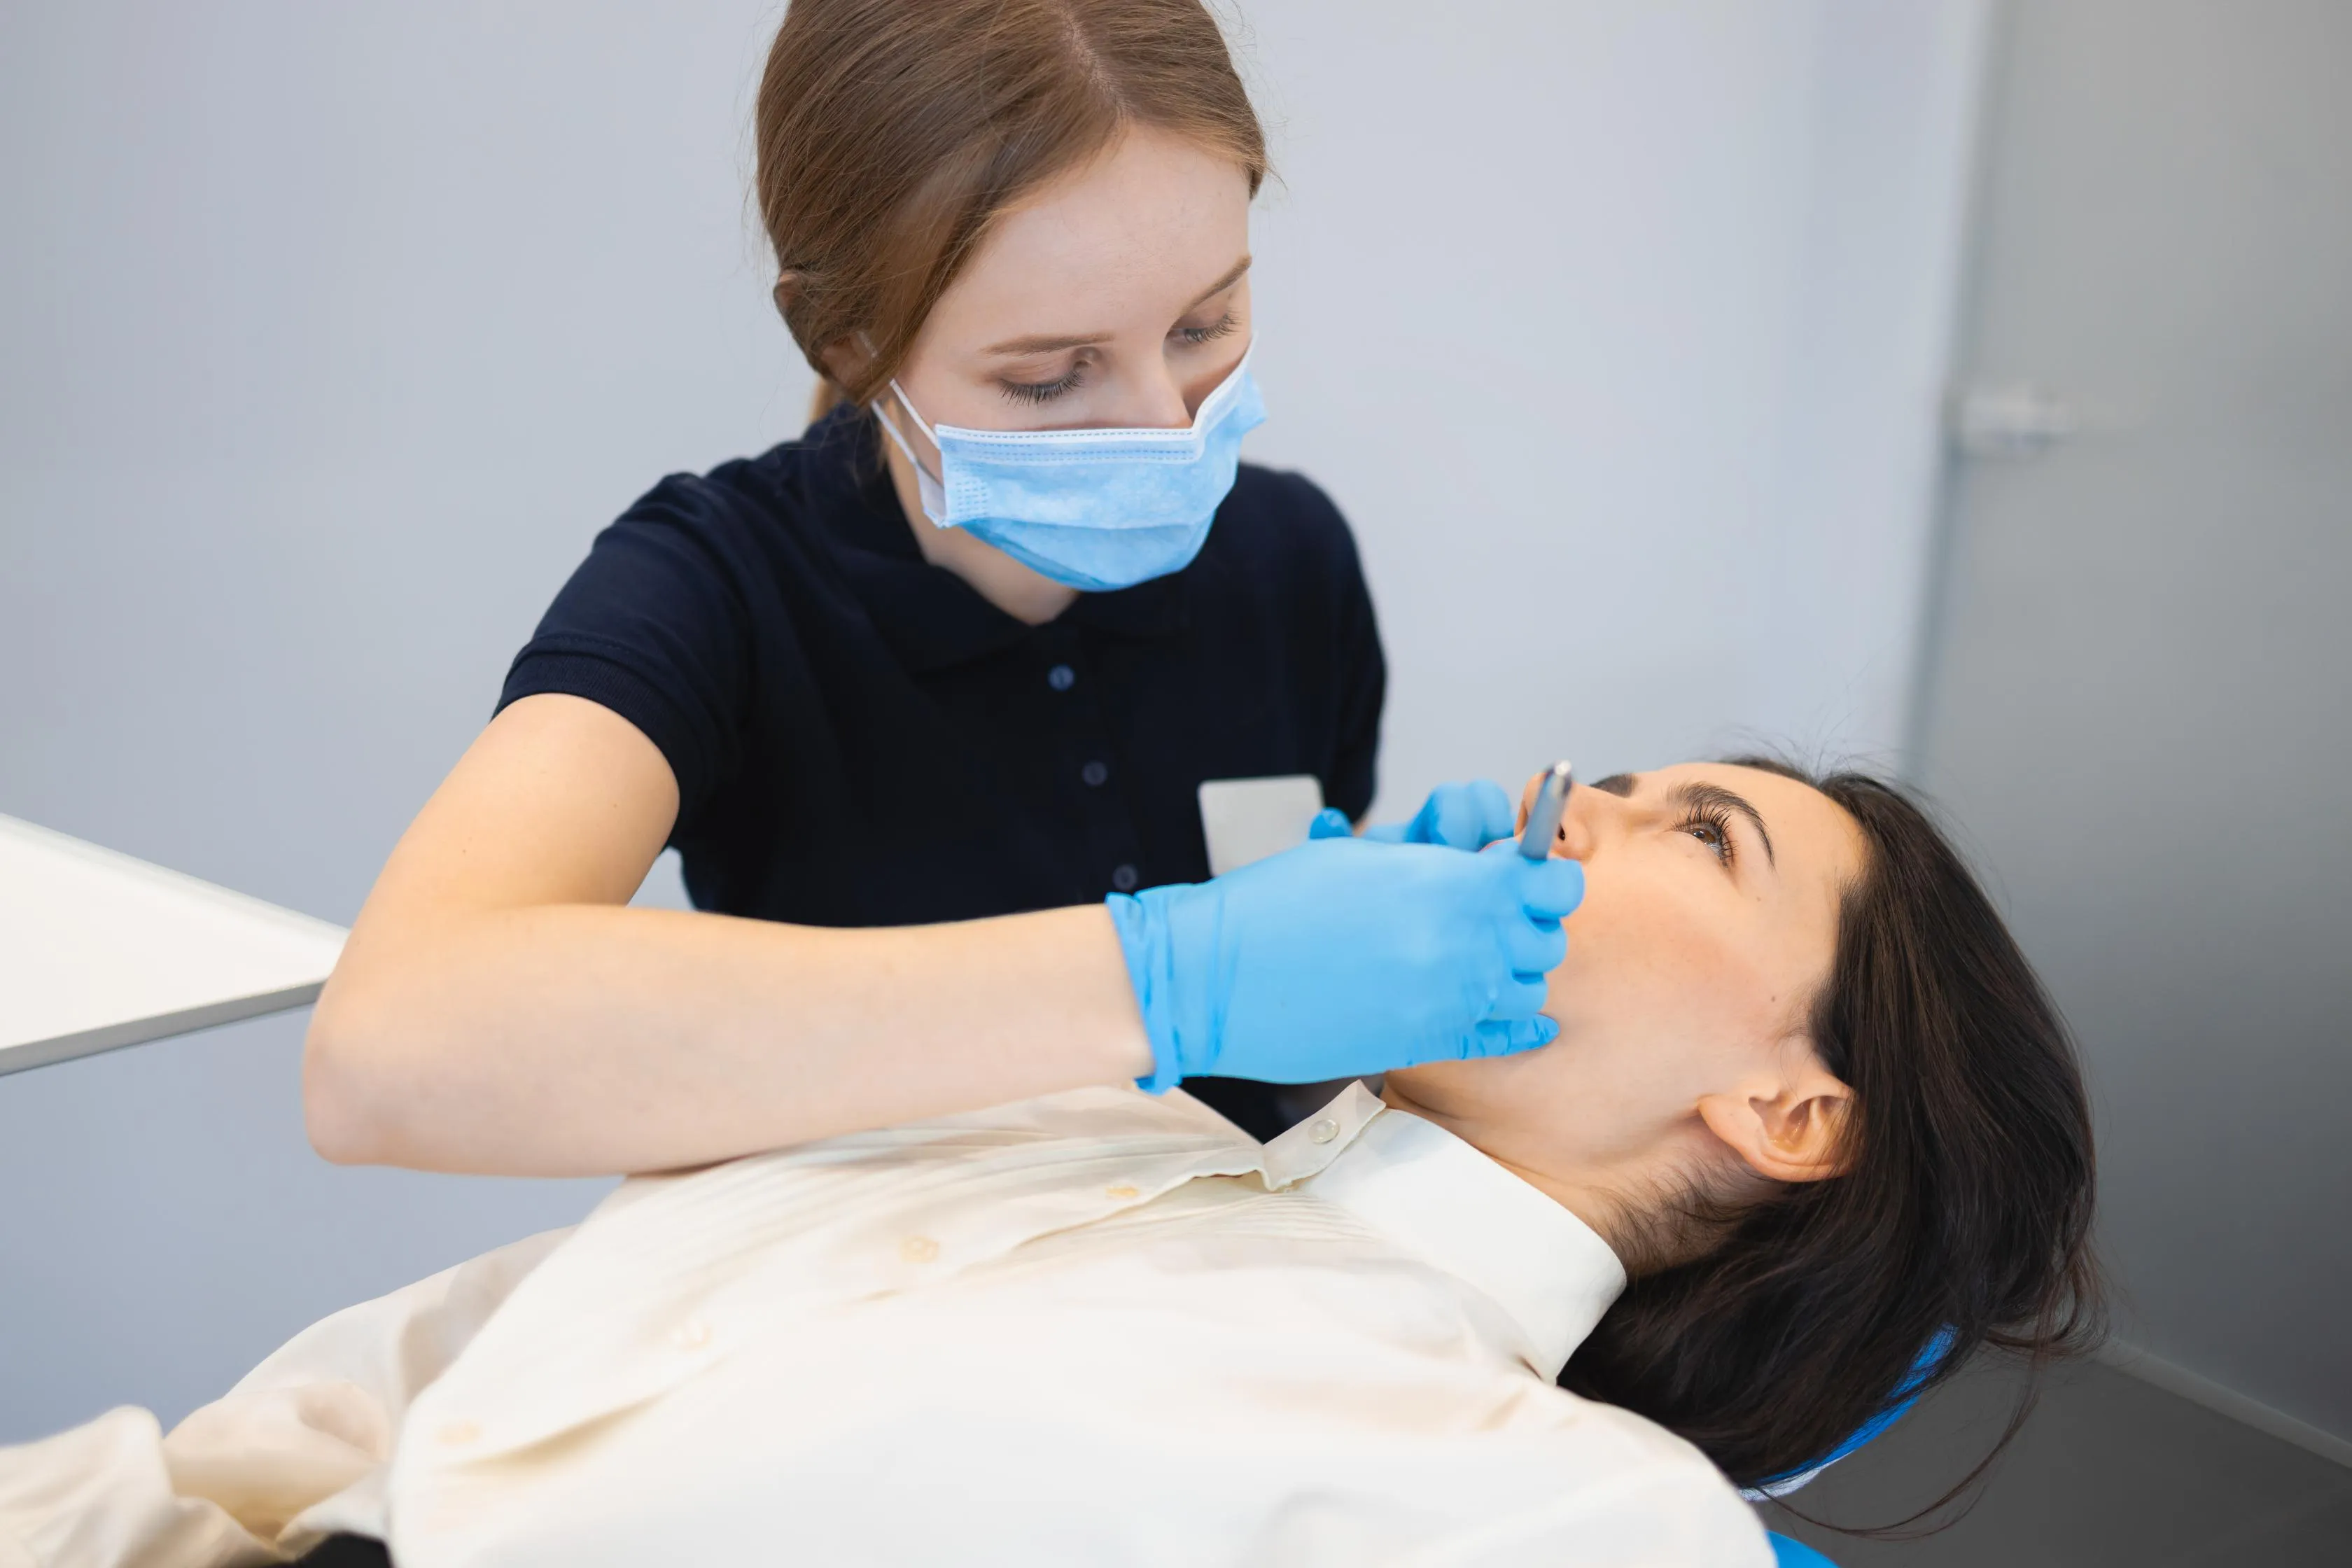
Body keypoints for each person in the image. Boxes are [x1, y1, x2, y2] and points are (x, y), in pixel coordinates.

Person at [1, 760, 2101, 1567]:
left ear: (1792, 1110)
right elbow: (414, 1204)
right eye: (1618, 776)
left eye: (1691, 833)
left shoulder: (1568, 1509)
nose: (1582, 802)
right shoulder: (1083, 1100)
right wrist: (1151, 989)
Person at [302, 0, 1569, 1172]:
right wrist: (1167, 981)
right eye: (1049, 378)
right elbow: (387, 1051)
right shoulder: (717, 590)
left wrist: (1386, 969)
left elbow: (1272, 1111)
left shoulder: (1291, 562)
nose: (1165, 430)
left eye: (1204, 328)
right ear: (847, 340)